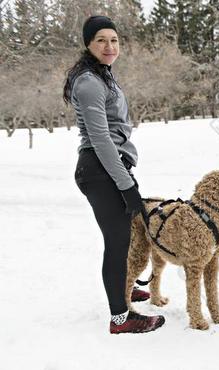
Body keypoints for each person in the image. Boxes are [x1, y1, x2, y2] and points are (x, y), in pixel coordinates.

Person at [63, 16, 164, 334]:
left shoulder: (102, 76)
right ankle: (121, 318)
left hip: (110, 167)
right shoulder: (89, 82)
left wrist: (125, 178)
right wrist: (125, 183)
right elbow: (101, 139)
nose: (109, 46)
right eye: (101, 40)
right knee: (118, 241)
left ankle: (125, 286)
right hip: (100, 169)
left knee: (128, 234)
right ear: (88, 45)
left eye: (114, 40)